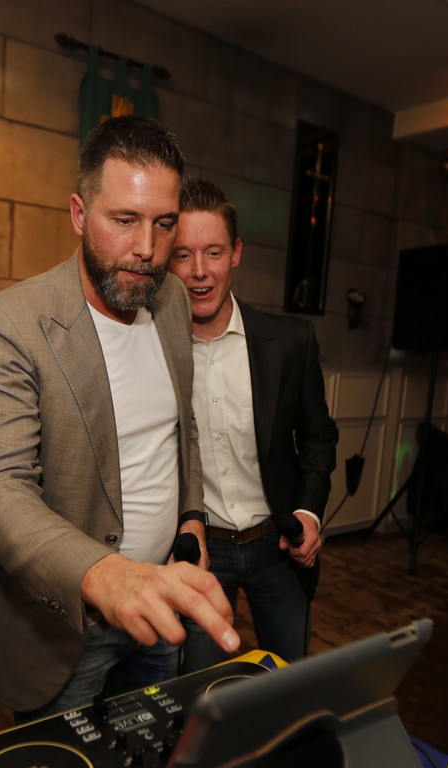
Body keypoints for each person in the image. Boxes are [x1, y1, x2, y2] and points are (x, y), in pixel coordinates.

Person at [0, 116, 238, 720]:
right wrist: (104, 575)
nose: (147, 248)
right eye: (124, 220)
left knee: (148, 764)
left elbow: (181, 428)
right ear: (80, 214)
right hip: (62, 634)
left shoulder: (169, 301)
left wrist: (191, 517)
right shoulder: (9, 326)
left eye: (164, 224)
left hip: (159, 609)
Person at [168, 178, 338, 671]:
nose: (200, 271)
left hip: (277, 545)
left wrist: (308, 514)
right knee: (200, 693)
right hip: (200, 552)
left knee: (287, 683)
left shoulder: (290, 342)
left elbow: (318, 436)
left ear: (236, 253)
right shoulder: (152, 349)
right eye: (183, 255)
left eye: (214, 252)